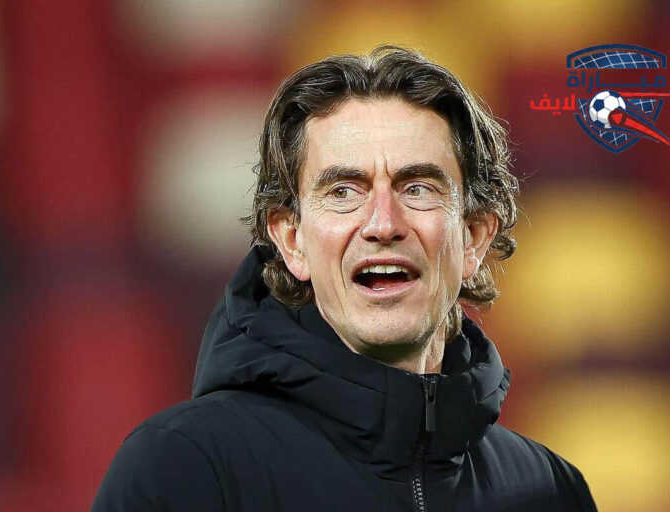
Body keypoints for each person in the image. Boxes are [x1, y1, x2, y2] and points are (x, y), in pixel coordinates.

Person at [92, 46, 597, 511]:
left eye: (417, 188)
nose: (383, 224)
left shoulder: (550, 490)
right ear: (291, 241)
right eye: (343, 192)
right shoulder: (185, 468)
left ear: (474, 238)